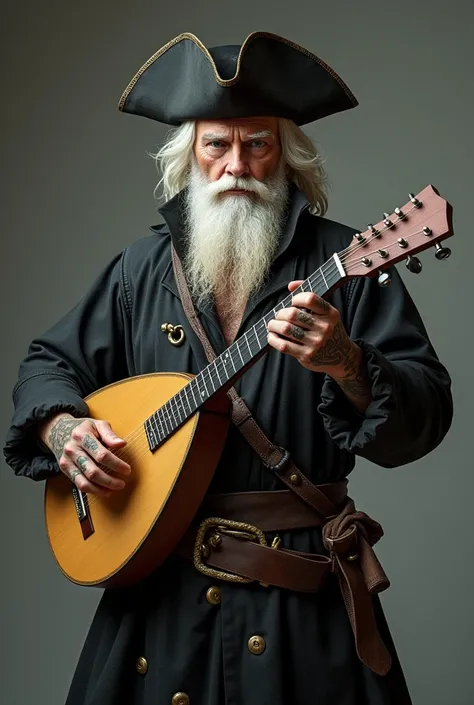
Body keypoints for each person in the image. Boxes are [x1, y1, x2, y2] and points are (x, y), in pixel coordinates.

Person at [4, 31, 453, 705]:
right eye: (216, 144)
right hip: (160, 600)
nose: (235, 164)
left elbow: (425, 414)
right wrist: (65, 432)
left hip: (302, 611)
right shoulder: (141, 271)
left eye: (258, 143)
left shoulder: (353, 263)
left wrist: (347, 362)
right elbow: (46, 366)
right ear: (191, 155)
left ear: (286, 154)